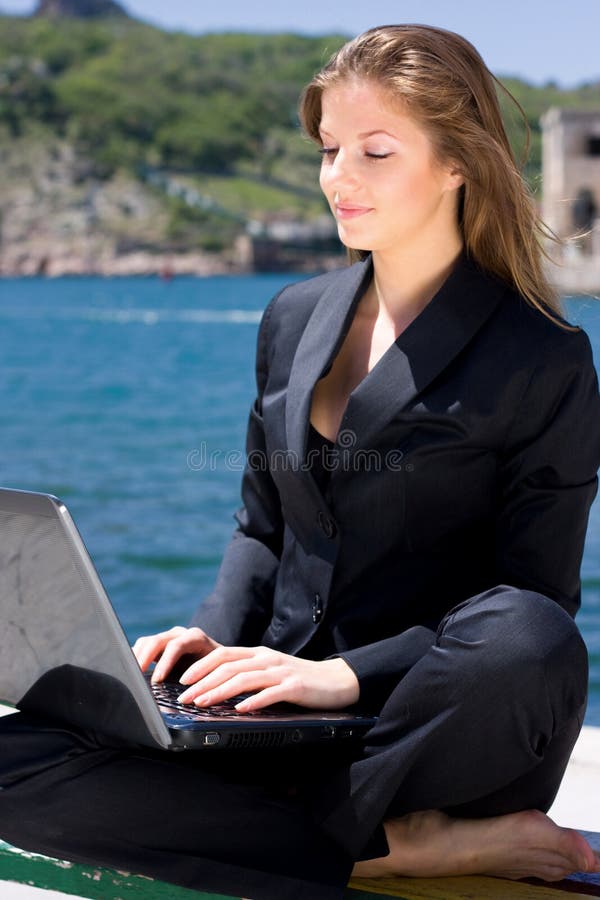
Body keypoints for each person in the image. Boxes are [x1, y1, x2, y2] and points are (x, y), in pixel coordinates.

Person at [1, 23, 600, 900]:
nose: (338, 178)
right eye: (328, 150)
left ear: (458, 162)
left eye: (376, 151)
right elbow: (262, 526)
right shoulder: (292, 317)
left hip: (430, 722)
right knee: (12, 753)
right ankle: (394, 850)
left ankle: (308, 826)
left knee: (531, 636)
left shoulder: (543, 354)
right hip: (275, 718)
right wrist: (211, 645)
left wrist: (343, 676)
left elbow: (534, 598)